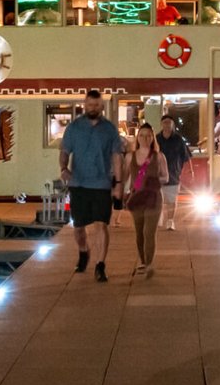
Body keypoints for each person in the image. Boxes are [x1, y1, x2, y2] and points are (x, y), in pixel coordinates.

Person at [59, 89, 123, 281]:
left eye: (96, 105)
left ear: (102, 107)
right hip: (78, 183)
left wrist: (118, 183)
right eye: (89, 105)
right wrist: (63, 168)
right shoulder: (74, 127)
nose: (93, 108)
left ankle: (100, 265)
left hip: (102, 184)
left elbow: (117, 156)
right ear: (84, 105)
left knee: (101, 225)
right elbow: (64, 151)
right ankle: (83, 250)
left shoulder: (109, 129)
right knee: (78, 227)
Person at [122, 122, 168, 276]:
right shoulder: (130, 157)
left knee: (149, 232)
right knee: (139, 232)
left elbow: (166, 176)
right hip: (137, 198)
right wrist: (121, 193)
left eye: (148, 135)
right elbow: (124, 177)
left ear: (152, 138)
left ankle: (149, 263)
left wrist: (156, 181)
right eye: (141, 135)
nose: (145, 138)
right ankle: (142, 261)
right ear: (137, 137)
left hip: (154, 198)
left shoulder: (159, 156)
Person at [156, 115, 191, 231]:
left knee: (171, 199)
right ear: (161, 124)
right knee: (157, 199)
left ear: (173, 124)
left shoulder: (178, 140)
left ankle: (170, 221)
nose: (167, 125)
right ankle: (158, 219)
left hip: (173, 173)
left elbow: (186, 157)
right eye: (165, 122)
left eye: (169, 122)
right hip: (158, 174)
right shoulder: (156, 139)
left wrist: (189, 171)